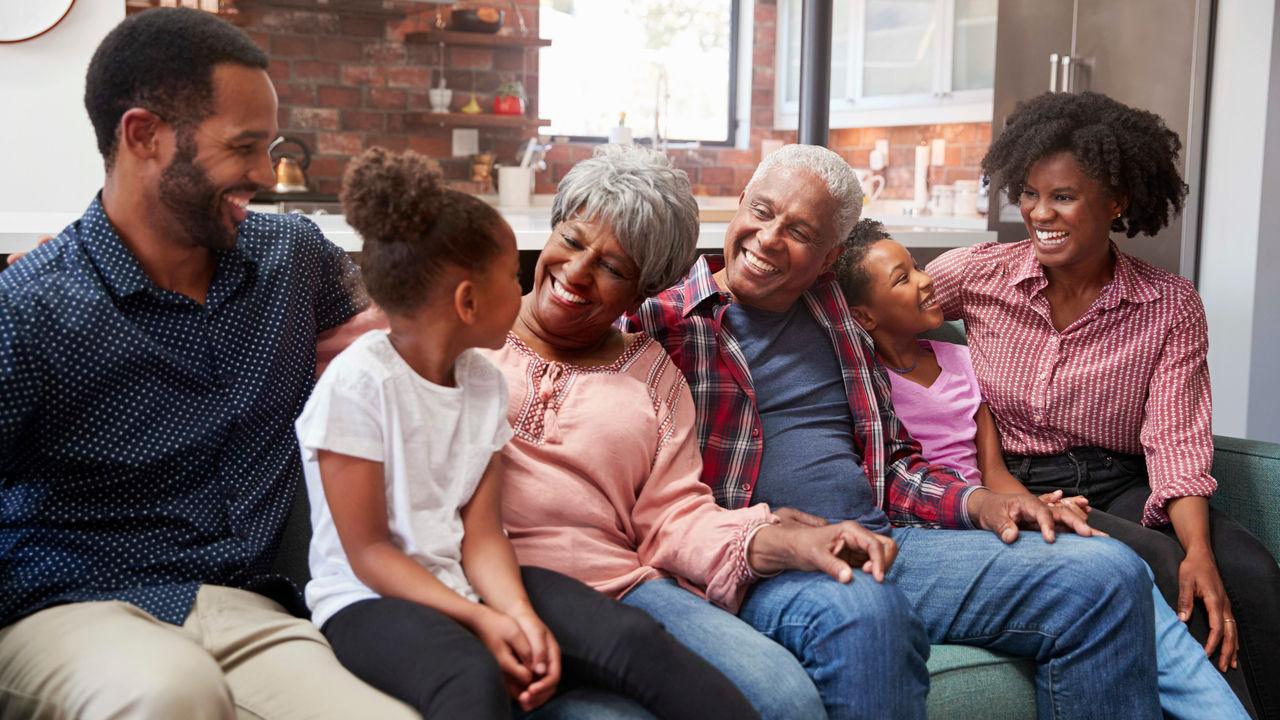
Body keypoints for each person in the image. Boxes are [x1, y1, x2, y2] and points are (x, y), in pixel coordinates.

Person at [625, 142, 1165, 720]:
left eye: (800, 232)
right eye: (761, 211)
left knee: (1109, 575)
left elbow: (892, 464)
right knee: (864, 608)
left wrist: (983, 504)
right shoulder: (664, 321)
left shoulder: (837, 312)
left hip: (891, 541)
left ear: (830, 256)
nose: (769, 239)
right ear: (739, 205)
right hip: (770, 562)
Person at [0, 8, 418, 719]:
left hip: (248, 613)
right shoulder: (31, 307)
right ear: (144, 136)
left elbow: (397, 352)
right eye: (244, 147)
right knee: (171, 694)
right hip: (73, 606)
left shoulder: (295, 260)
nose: (265, 172)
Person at [296, 147, 762, 720]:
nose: (537, 286)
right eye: (507, 275)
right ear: (468, 301)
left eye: (613, 268)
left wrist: (516, 612)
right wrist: (483, 619)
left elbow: (483, 533)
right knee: (472, 678)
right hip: (368, 599)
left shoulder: (482, 384)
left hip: (470, 582)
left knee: (636, 642)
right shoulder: (359, 382)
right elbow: (367, 552)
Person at [488, 143, 907, 720]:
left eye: (613, 268)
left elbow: (674, 518)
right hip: (493, 576)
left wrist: (786, 541)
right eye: (574, 241)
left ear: (642, 294)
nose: (578, 275)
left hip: (627, 587)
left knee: (786, 700)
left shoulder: (656, 371)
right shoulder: (465, 329)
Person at [926, 91, 1280, 719]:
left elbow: (1176, 441)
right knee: (1163, 566)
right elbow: (876, 301)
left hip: (1121, 483)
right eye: (1029, 194)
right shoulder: (980, 274)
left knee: (1246, 570)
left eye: (1062, 196)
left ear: (1115, 202)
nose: (1040, 213)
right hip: (1012, 480)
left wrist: (1201, 548)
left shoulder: (1168, 304)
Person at [834, 219, 1250, 720]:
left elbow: (993, 471)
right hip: (937, 525)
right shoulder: (862, 382)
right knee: (1123, 567)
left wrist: (1035, 506)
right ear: (864, 317)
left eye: (917, 266)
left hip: (997, 509)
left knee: (1126, 564)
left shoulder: (963, 362)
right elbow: (886, 481)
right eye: (903, 277)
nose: (926, 279)